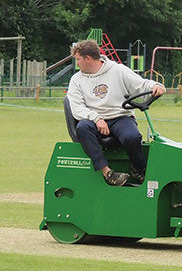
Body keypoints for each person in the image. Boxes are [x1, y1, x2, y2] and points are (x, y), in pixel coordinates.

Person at [66, 39, 166, 186]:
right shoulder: (76, 80)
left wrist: (156, 85)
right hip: (94, 120)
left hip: (120, 117)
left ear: (88, 58)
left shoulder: (118, 70)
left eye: (78, 59)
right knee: (83, 128)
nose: (77, 63)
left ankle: (139, 169)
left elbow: (140, 85)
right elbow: (77, 108)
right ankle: (108, 173)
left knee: (132, 137)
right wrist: (96, 118)